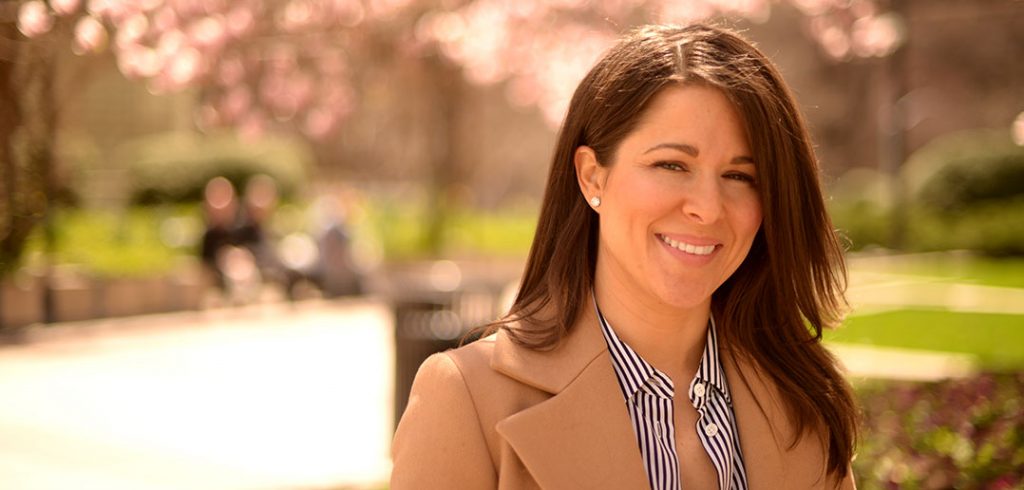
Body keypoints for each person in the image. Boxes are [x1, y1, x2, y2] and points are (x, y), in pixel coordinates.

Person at [391, 23, 858, 489]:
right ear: (593, 177)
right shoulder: (467, 399)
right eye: (672, 165)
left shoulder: (803, 404)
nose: (708, 207)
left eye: (740, 176)